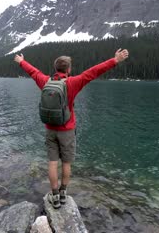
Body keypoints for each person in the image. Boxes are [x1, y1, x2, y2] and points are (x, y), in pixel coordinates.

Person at [14, 49, 129, 208]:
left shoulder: (46, 81)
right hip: (67, 130)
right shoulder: (72, 83)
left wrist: (21, 62)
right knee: (66, 163)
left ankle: (53, 196)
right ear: (68, 69)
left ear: (56, 68)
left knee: (53, 162)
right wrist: (115, 60)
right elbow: (93, 71)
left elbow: (33, 72)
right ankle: (63, 194)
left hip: (50, 129)